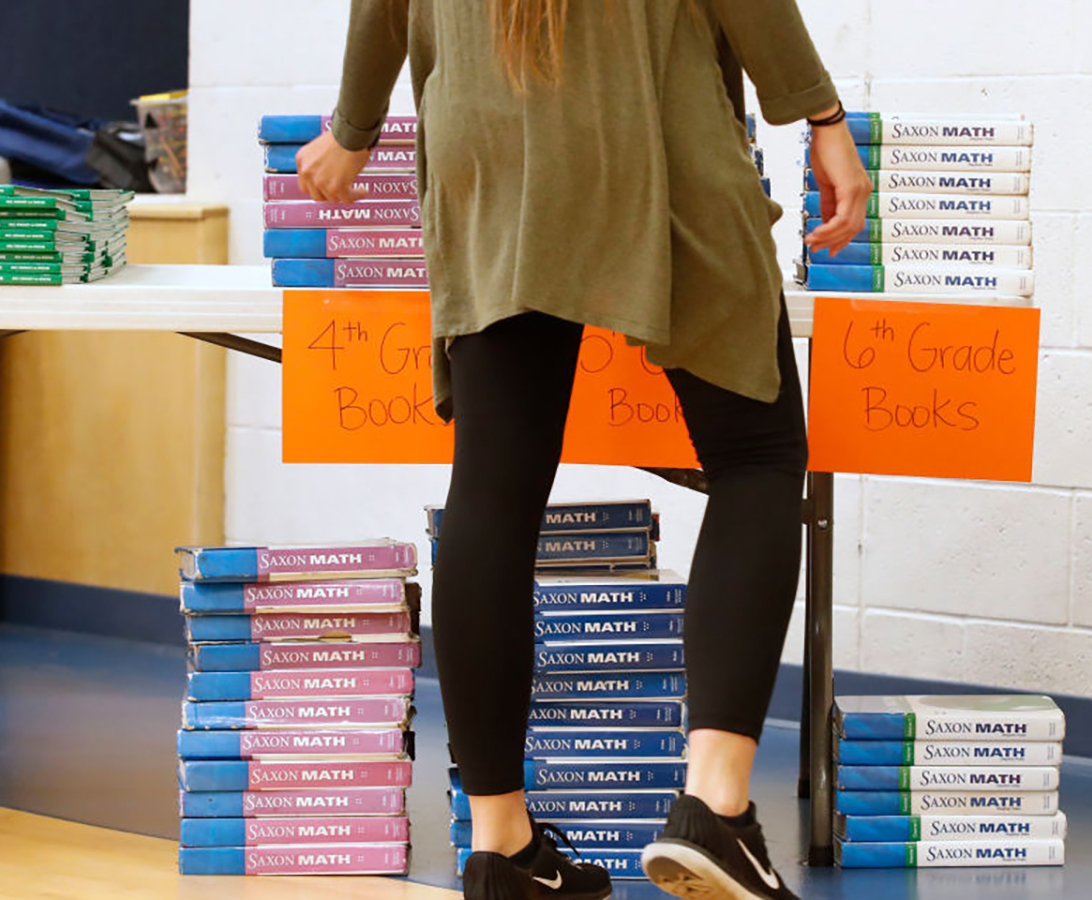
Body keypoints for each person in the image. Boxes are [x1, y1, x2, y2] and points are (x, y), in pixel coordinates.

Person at [296, 2, 869, 898]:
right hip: (645, 123)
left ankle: (502, 848)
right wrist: (821, 117)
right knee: (756, 457)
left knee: (493, 485)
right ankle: (714, 808)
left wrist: (355, 127)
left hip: (483, 135)